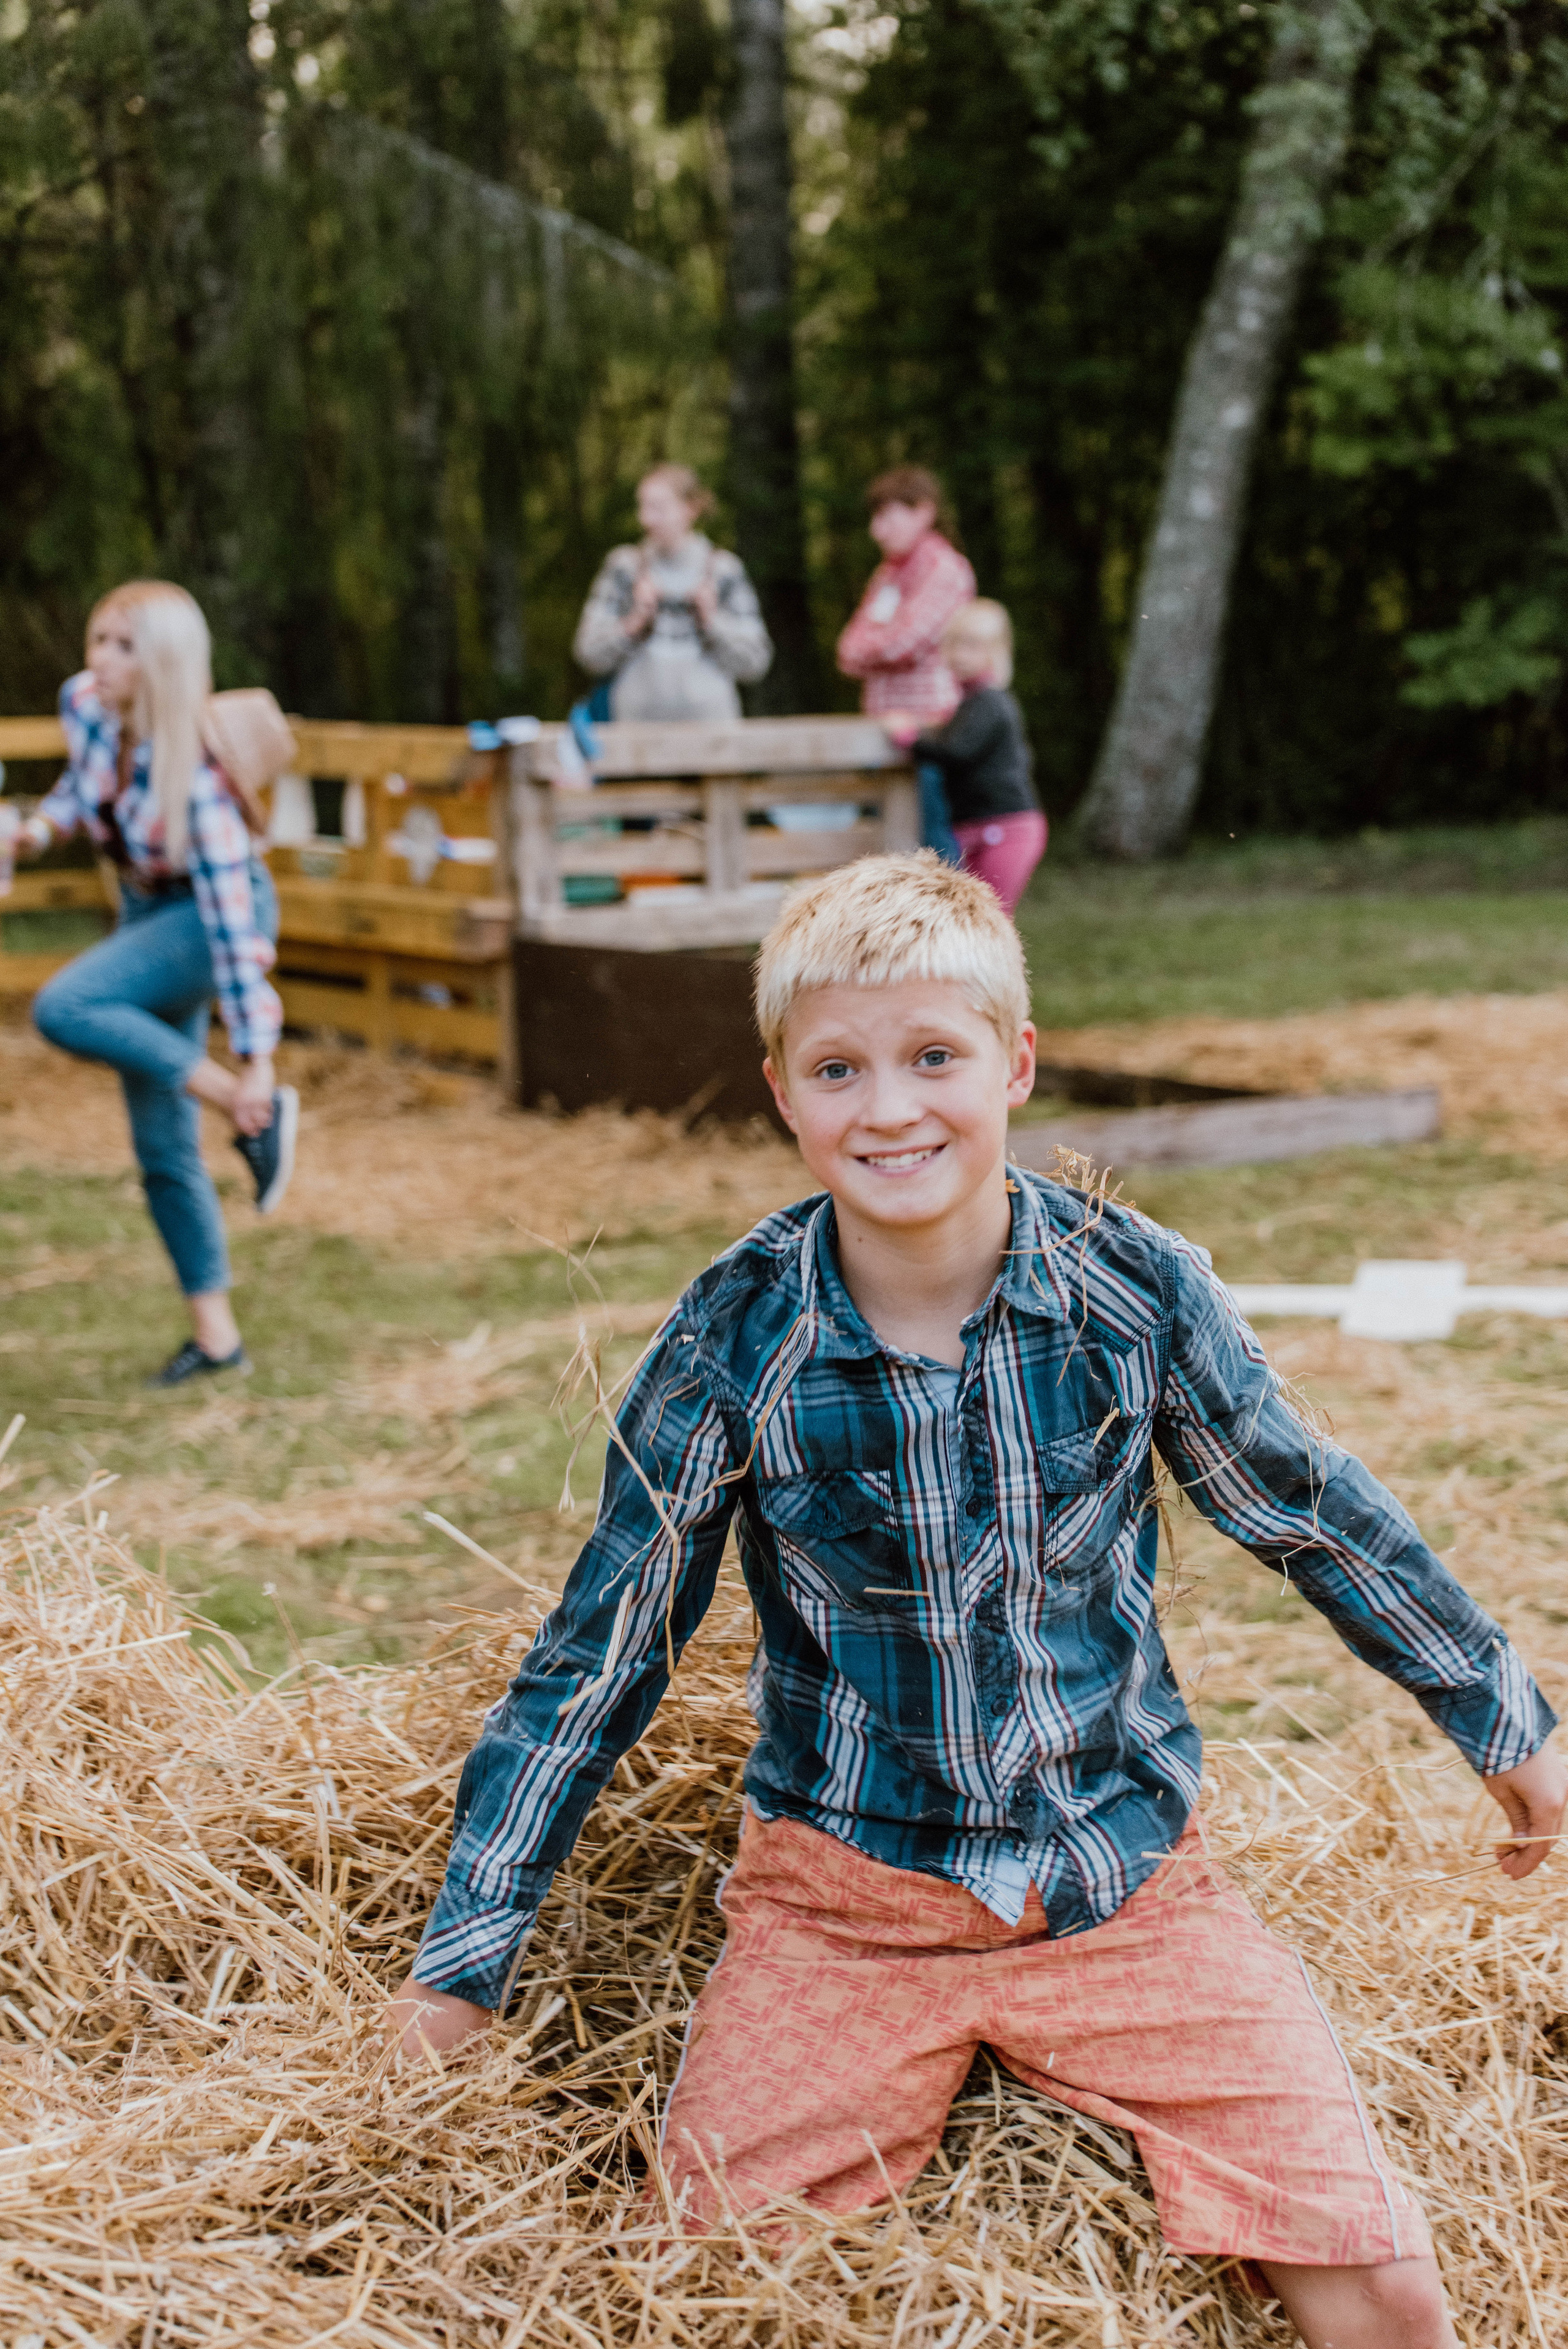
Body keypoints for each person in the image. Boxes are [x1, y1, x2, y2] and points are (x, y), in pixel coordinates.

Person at [386, 851, 1562, 2347]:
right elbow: (598, 1656)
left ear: (1013, 1062)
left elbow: (1312, 1512)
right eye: (839, 1068)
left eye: (932, 1056)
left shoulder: (1130, 1292)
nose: (889, 1107)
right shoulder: (732, 1339)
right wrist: (461, 1967)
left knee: (1383, 2283)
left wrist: (1512, 1733)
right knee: (686, 2290)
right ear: (782, 1093)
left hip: (1120, 1882)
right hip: (845, 1904)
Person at [15, 581, 298, 1386]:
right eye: (98, 638)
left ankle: (246, 1104)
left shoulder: (200, 781)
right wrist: (35, 831)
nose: (99, 659)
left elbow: (237, 936)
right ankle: (218, 1341)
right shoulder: (85, 705)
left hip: (209, 922)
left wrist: (256, 1063)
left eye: (124, 647)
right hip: (147, 912)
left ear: (165, 664)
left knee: (66, 1004)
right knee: (161, 1144)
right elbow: (82, 789)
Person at [835, 466, 976, 861]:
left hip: (930, 731)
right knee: (885, 847)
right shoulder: (887, 575)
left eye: (887, 517)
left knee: (934, 844)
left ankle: (951, 905)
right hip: (880, 732)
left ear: (923, 511)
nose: (876, 531)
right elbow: (847, 651)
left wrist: (877, 647)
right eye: (874, 519)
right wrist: (881, 648)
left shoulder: (946, 570)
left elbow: (904, 643)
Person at [572, 464, 773, 722]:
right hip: (636, 736)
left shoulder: (724, 570)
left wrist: (713, 622)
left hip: (713, 736)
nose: (646, 519)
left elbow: (756, 664)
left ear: (691, 508)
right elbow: (587, 654)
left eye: (659, 508)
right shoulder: (624, 567)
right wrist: (635, 623)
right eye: (643, 507)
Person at [884, 600, 1047, 916]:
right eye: (954, 644)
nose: (959, 654)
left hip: (1005, 829)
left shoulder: (991, 702)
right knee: (974, 918)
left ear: (995, 652)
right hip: (977, 829)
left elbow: (957, 753)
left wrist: (908, 739)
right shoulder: (969, 703)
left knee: (989, 919)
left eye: (971, 646)